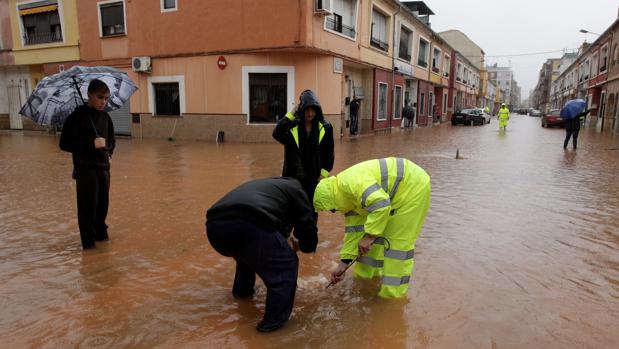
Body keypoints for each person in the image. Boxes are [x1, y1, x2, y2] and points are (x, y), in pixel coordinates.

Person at [205, 177, 318, 333]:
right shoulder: (297, 190)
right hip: (249, 222)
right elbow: (307, 226)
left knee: (246, 257)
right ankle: (272, 328)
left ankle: (242, 296)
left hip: (214, 229)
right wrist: (304, 246)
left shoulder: (272, 189)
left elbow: (273, 228)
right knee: (286, 265)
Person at [313, 157, 431, 298]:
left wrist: (370, 236)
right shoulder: (346, 200)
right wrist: (343, 265)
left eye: (331, 208)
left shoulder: (352, 184)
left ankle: (392, 298)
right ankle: (365, 282)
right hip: (391, 195)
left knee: (395, 247)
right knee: (368, 243)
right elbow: (354, 233)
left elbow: (381, 204)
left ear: (330, 199)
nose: (333, 211)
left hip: (413, 188)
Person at [59, 79, 115, 250]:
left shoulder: (106, 117)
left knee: (102, 206)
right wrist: (91, 144)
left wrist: (110, 152)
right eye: (100, 98)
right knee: (87, 208)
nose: (103, 102)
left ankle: (101, 238)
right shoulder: (76, 117)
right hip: (85, 169)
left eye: (106, 98)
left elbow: (112, 140)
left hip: (103, 168)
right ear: (89, 95)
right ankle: (88, 245)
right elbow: (64, 144)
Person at [272, 90, 334, 204]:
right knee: (293, 212)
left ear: (317, 110)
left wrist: (324, 174)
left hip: (313, 179)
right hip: (293, 178)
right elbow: (276, 133)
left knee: (311, 210)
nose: (310, 114)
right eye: (307, 110)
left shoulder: (325, 127)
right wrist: (290, 114)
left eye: (312, 110)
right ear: (301, 110)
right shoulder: (292, 126)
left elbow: (329, 152)